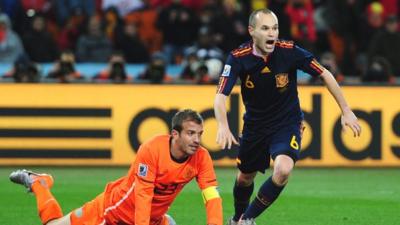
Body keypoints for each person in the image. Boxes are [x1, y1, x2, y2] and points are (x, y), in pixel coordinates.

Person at [213, 9, 361, 225]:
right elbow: (220, 97)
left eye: (274, 28)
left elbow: (324, 74)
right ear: (252, 31)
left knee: (283, 169)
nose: (271, 33)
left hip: (287, 122)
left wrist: (346, 110)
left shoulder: (289, 51)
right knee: (245, 177)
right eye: (265, 28)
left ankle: (247, 219)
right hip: (255, 126)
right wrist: (222, 125)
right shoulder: (238, 58)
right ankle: (236, 217)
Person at [10, 109, 223, 225]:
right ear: (175, 134)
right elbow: (143, 195)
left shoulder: (201, 157)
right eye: (190, 133)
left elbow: (211, 197)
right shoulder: (152, 149)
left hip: (153, 220)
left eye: (200, 134)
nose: (197, 140)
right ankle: (40, 184)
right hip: (113, 213)